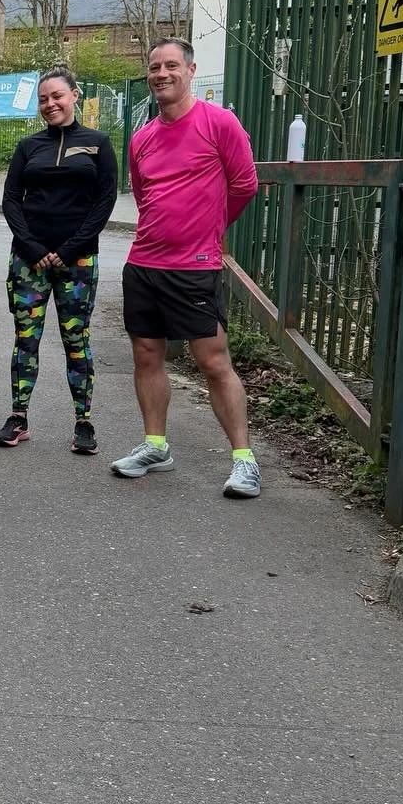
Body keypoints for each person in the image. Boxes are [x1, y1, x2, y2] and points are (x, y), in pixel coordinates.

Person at [111, 37, 261, 498]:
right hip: (143, 263)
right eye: (154, 67)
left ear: (190, 70)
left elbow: (244, 185)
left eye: (171, 65)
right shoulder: (142, 138)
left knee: (213, 361)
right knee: (146, 355)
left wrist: (210, 232)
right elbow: (143, 194)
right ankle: (156, 446)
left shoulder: (220, 124)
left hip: (194, 266)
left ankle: (244, 461)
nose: (161, 74)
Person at [0, 65, 117, 455]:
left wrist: (67, 251)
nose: (50, 104)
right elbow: (11, 200)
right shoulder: (29, 146)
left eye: (57, 96)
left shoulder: (98, 143)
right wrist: (31, 248)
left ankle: (84, 422)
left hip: (77, 262)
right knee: (25, 341)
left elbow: (104, 202)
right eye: (43, 98)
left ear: (75, 95)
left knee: (76, 341)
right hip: (28, 262)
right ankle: (18, 417)